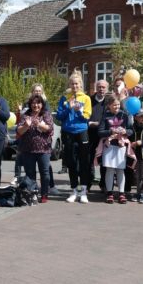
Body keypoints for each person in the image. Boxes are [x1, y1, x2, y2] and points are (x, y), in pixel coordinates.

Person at [57, 73, 93, 203]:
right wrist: (68, 107)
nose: (75, 86)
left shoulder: (86, 98)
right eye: (72, 83)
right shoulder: (64, 98)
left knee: (84, 161)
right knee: (71, 161)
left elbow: (87, 116)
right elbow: (59, 116)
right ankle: (73, 191)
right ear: (69, 85)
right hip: (68, 132)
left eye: (77, 83)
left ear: (81, 85)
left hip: (82, 131)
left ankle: (83, 191)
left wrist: (78, 111)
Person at [96, 94, 134, 204]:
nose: (116, 107)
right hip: (109, 146)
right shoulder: (105, 116)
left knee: (121, 170)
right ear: (109, 106)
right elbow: (100, 132)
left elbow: (131, 131)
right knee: (110, 170)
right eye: (114, 105)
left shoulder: (124, 115)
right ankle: (110, 193)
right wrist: (111, 131)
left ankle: (121, 193)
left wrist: (125, 132)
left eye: (118, 105)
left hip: (121, 146)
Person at [15, 93, 53, 203]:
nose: (36, 105)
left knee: (45, 173)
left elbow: (49, 129)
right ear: (30, 104)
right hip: (28, 150)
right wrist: (26, 125)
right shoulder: (26, 115)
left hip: (44, 150)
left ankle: (44, 194)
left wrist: (39, 125)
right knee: (30, 174)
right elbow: (19, 131)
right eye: (33, 103)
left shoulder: (46, 114)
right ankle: (33, 193)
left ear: (42, 104)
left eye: (38, 103)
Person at [88, 80, 109, 191]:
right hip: (90, 134)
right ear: (96, 88)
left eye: (103, 87)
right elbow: (85, 116)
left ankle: (103, 184)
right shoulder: (89, 100)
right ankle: (89, 182)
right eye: (99, 87)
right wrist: (90, 123)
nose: (101, 89)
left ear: (107, 89)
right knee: (89, 160)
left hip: (104, 136)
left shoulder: (108, 102)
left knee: (104, 160)